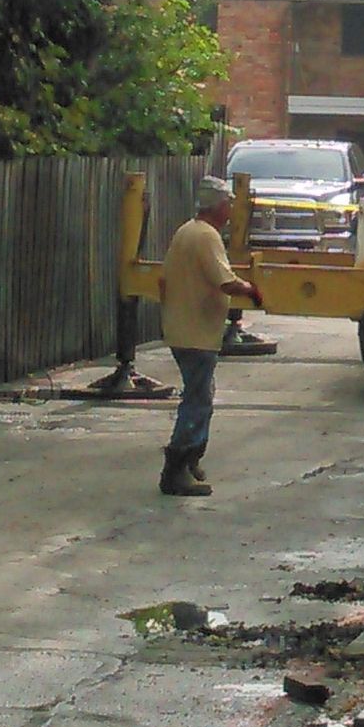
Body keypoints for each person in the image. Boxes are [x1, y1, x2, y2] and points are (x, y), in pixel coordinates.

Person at [157, 179, 270, 498]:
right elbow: (225, 282)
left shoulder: (186, 231)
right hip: (197, 332)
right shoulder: (206, 236)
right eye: (228, 204)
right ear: (218, 206)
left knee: (200, 393)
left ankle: (190, 461)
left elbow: (165, 280)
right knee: (197, 400)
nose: (231, 210)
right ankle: (177, 468)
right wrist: (251, 289)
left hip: (183, 327)